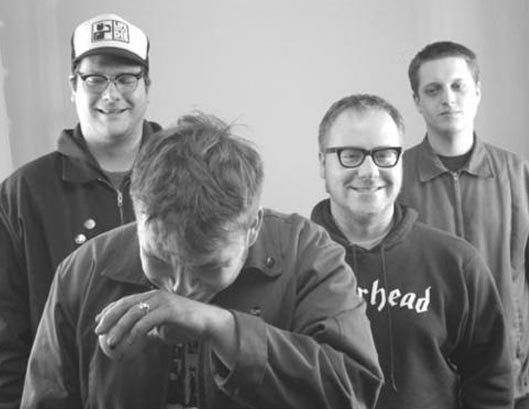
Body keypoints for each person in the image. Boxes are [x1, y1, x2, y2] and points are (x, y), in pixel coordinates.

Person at [21, 112, 383, 408]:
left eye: (207, 267)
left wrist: (220, 327)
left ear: (252, 228)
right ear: (137, 213)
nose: (179, 289)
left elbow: (353, 392)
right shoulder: (82, 272)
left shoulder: (308, 254)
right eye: (159, 260)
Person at [311, 93, 513, 408]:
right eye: (350, 155)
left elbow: (491, 384)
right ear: (323, 163)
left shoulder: (458, 263)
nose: (369, 171)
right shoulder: (293, 262)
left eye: (384, 154)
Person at [0, 13, 161, 408]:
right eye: (95, 79)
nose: (111, 94)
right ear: (73, 86)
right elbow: (6, 333)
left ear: (147, 85)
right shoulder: (23, 193)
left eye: (126, 78)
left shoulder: (191, 175)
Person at [398, 41, 529, 408]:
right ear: (417, 101)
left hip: (511, 378)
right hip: (425, 382)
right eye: (433, 90)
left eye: (458, 86)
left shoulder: (517, 173)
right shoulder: (396, 179)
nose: (448, 98)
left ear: (477, 92)